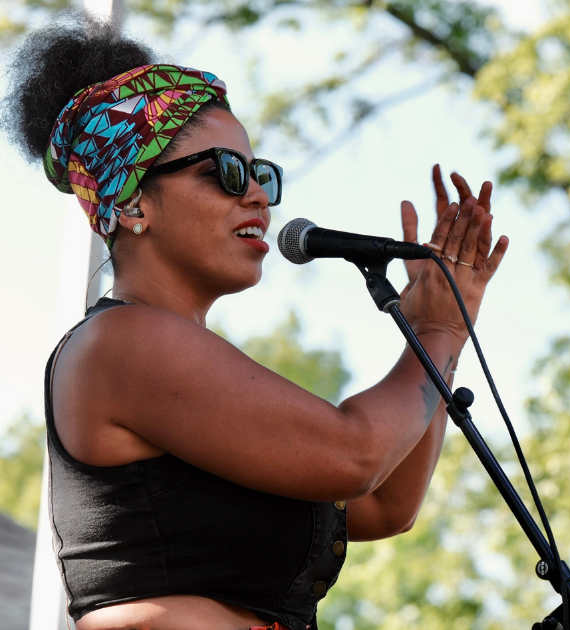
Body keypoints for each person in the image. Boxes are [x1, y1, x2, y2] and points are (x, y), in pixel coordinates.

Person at [3, 13, 508, 630]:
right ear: (132, 201)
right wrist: (437, 333)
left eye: (261, 174)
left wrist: (442, 328)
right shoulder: (121, 342)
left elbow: (383, 504)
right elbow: (356, 455)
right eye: (227, 172)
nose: (259, 198)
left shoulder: (191, 368)